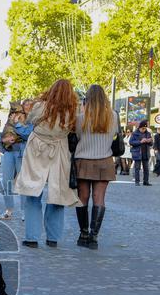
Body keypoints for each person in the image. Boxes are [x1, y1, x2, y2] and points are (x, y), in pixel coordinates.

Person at [13, 79, 79, 248]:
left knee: (32, 191)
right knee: (58, 193)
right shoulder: (73, 111)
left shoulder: (40, 106)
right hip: (60, 149)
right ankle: (53, 237)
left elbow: (30, 122)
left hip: (37, 148)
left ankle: (32, 237)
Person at [75, 85, 118, 249]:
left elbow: (78, 136)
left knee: (82, 197)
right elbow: (115, 135)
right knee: (99, 198)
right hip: (104, 161)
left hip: (83, 161)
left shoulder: (81, 118)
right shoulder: (113, 116)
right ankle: (94, 237)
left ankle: (83, 233)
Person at [0, 100, 33, 220]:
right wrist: (3, 140)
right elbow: (3, 133)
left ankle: (25, 211)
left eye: (30, 104)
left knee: (23, 183)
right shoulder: (13, 116)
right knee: (6, 182)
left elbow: (27, 135)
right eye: (26, 104)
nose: (28, 106)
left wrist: (17, 124)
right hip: (9, 152)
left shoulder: (32, 120)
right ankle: (8, 210)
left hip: (22, 153)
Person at [129, 119, 153, 186]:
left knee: (146, 168)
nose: (144, 129)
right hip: (138, 153)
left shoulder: (148, 133)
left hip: (145, 153)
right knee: (137, 168)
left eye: (145, 128)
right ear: (139, 127)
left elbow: (151, 143)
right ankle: (137, 181)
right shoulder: (134, 133)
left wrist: (149, 141)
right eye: (143, 128)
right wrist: (140, 142)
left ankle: (146, 181)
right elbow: (131, 142)